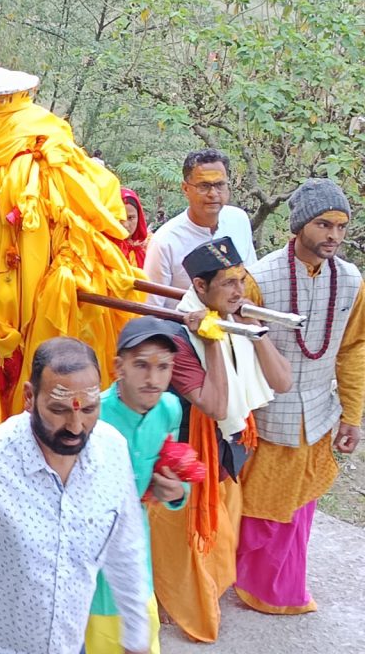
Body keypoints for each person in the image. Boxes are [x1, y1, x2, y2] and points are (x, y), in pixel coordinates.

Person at [0, 337, 152, 654]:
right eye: (59, 410)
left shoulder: (112, 451)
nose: (75, 426)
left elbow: (125, 548)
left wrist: (137, 638)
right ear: (29, 397)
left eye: (88, 409)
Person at [148, 237, 291, 643]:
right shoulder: (178, 337)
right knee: (182, 543)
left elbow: (282, 381)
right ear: (199, 286)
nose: (239, 291)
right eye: (228, 283)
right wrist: (212, 342)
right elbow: (215, 405)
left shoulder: (235, 321)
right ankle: (175, 606)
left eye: (241, 280)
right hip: (185, 456)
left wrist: (257, 333)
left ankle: (202, 594)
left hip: (226, 450)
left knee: (219, 537)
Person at [237, 179, 364, 615]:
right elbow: (239, 355)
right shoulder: (258, 278)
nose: (334, 235)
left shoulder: (351, 280)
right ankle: (253, 585)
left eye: (341, 227)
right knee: (261, 509)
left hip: (320, 416)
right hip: (267, 417)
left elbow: (353, 349)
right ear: (299, 226)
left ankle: (286, 588)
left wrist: (352, 415)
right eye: (324, 224)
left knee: (299, 513)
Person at [85, 318, 189, 653]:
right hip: (88, 562)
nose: (153, 379)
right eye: (142, 365)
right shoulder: (91, 417)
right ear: (119, 368)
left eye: (163, 367)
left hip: (136, 552)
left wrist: (176, 492)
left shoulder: (169, 409)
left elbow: (168, 469)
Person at [144, 149, 257, 307]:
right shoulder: (165, 241)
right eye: (204, 186)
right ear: (185, 189)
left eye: (220, 185)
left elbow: (252, 277)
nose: (213, 193)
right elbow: (151, 307)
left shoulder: (238, 220)